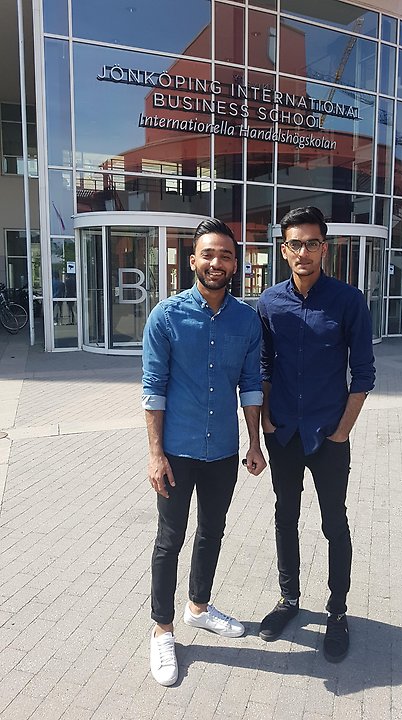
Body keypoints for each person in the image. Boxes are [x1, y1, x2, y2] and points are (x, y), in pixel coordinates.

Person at [142, 218, 266, 686]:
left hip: (222, 455)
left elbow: (251, 385)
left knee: (212, 531)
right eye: (208, 254)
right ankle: (162, 630)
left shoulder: (246, 320)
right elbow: (153, 389)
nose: (217, 263)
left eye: (226, 255)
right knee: (169, 540)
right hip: (176, 452)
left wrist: (254, 443)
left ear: (235, 263)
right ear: (192, 261)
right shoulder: (167, 317)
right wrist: (155, 455)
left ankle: (198, 607)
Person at [257, 206, 375, 663]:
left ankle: (338, 612)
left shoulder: (348, 301)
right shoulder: (269, 303)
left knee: (333, 524)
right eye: (294, 244)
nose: (303, 251)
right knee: (285, 517)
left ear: (324, 248)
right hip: (283, 432)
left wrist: (342, 434)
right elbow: (263, 367)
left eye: (311, 243)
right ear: (283, 250)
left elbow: (363, 373)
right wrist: (265, 419)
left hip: (329, 436)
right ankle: (289, 600)